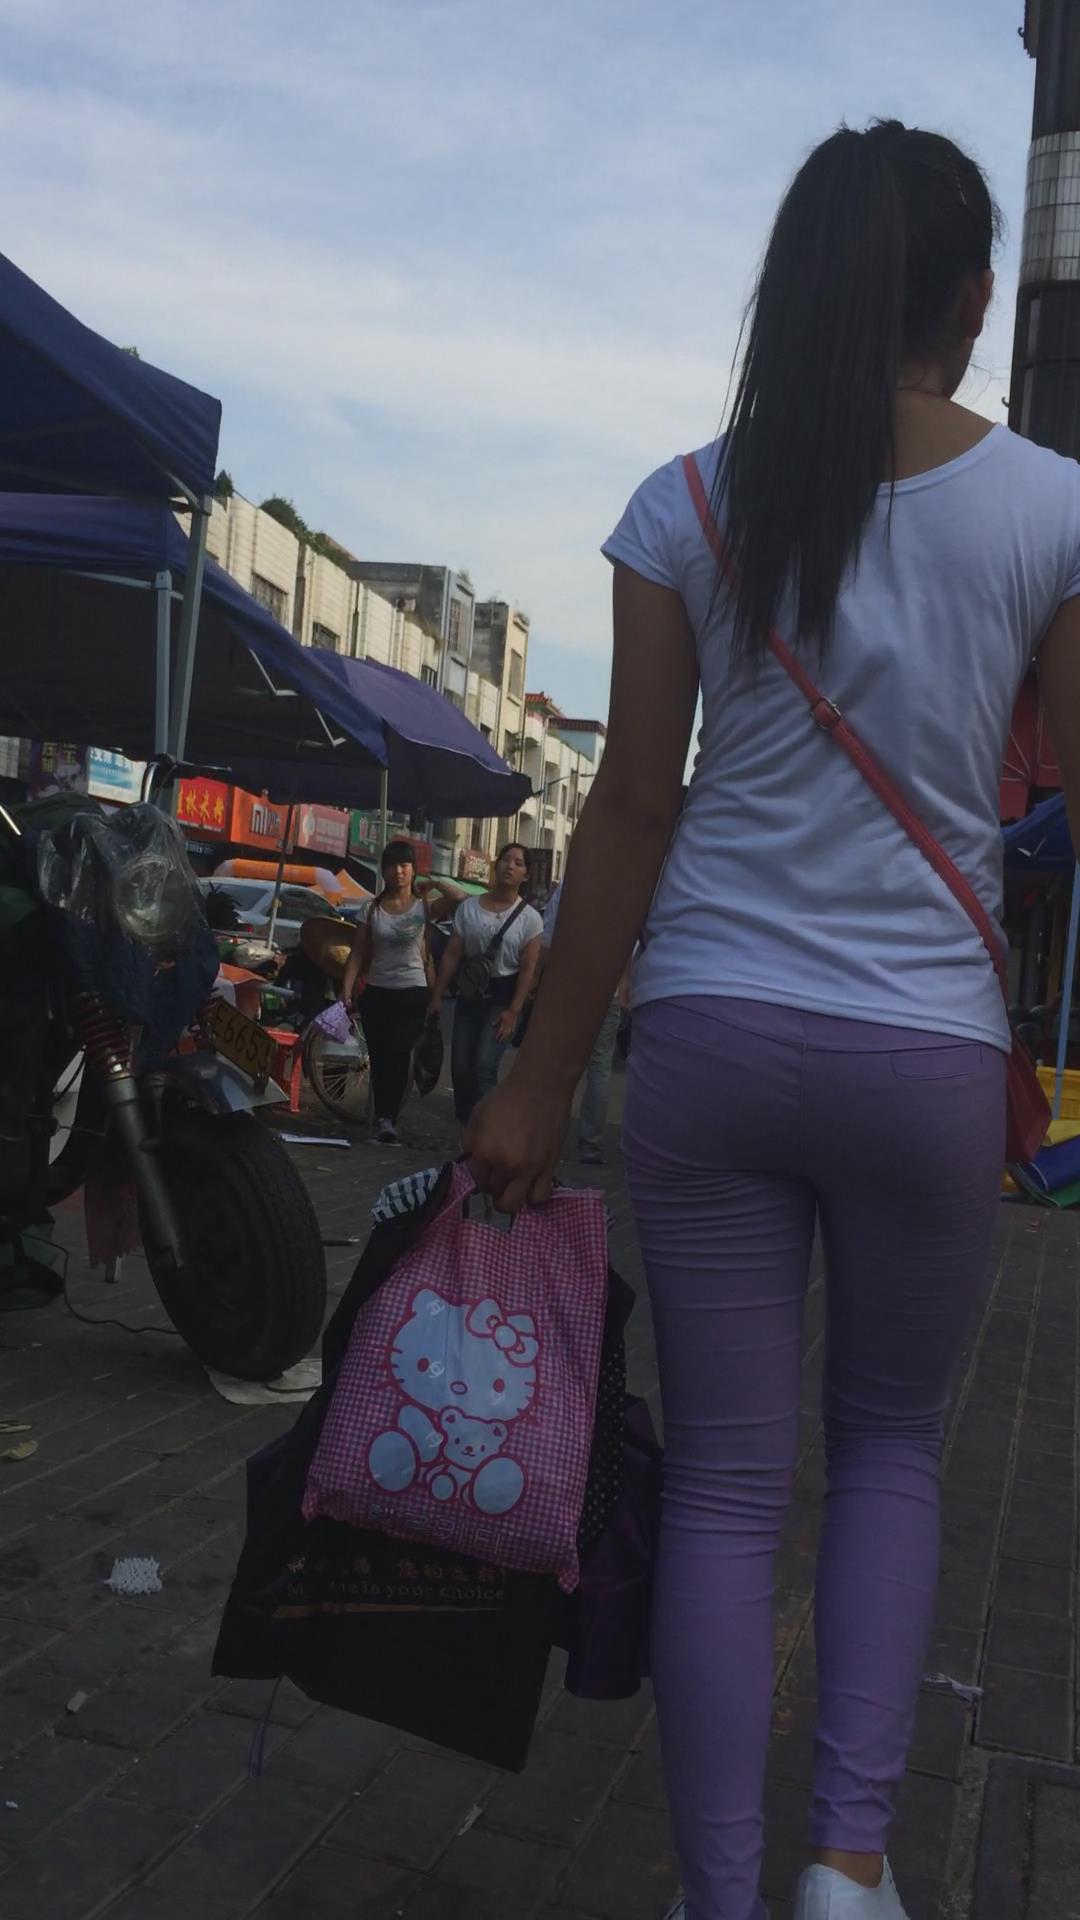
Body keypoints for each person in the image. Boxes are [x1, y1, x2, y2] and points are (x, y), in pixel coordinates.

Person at [463, 120, 1080, 1920]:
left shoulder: (686, 504)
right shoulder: (1053, 507)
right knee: (889, 1454)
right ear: (970, 302)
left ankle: (719, 1894)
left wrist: (536, 1081)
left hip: (713, 1038)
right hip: (925, 1051)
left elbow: (634, 809)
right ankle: (848, 1870)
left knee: (728, 1489)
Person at [341, 842, 462, 1145]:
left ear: (413, 870)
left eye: (405, 865)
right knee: (379, 1057)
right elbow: (357, 953)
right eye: (392, 865)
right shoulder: (370, 909)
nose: (399, 871)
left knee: (398, 1052)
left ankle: (388, 1118)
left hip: (413, 991)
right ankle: (384, 1118)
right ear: (383, 871)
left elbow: (458, 898)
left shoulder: (424, 907)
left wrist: (434, 883)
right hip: (376, 992)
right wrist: (346, 989)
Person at [429, 843, 543, 1128]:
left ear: (526, 874)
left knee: (484, 1066)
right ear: (496, 864)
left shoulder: (530, 919)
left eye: (518, 863)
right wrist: (437, 995)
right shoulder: (469, 908)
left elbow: (528, 970)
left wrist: (514, 1011)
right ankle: (466, 1127)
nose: (510, 866)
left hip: (503, 999)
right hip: (470, 995)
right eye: (505, 859)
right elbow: (452, 955)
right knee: (460, 1067)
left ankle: (486, 1131)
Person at [541, 881, 629, 1164]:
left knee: (560, 1064)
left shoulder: (572, 884)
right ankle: (590, 1145)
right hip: (608, 990)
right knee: (599, 1069)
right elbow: (630, 945)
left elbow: (548, 941)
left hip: (569, 987)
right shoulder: (625, 889)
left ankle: (549, 1137)